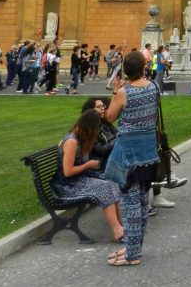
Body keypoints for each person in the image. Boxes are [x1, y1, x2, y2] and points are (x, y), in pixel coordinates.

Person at [104, 51, 160, 267]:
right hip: (148, 152)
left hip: (129, 153)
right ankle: (132, 246)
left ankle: (132, 255)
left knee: (130, 205)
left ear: (126, 70)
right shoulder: (153, 87)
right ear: (144, 67)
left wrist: (116, 90)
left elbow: (110, 116)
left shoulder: (124, 92)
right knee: (141, 202)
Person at [52, 108, 123, 242]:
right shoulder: (72, 141)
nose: (97, 132)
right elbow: (67, 172)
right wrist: (87, 165)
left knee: (112, 182)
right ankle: (117, 230)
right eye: (96, 128)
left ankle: (121, 226)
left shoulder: (82, 138)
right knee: (104, 188)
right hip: (67, 186)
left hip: (80, 179)